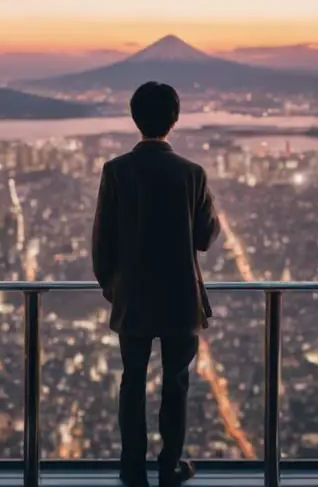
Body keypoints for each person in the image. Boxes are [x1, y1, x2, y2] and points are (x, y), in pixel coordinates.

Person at [91, 81, 221, 487]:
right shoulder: (192, 174)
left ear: (135, 119)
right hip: (181, 300)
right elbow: (204, 236)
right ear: (174, 119)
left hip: (133, 299)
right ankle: (169, 467)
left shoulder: (116, 171)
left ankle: (132, 468)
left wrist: (114, 288)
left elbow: (102, 242)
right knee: (176, 385)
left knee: (132, 383)